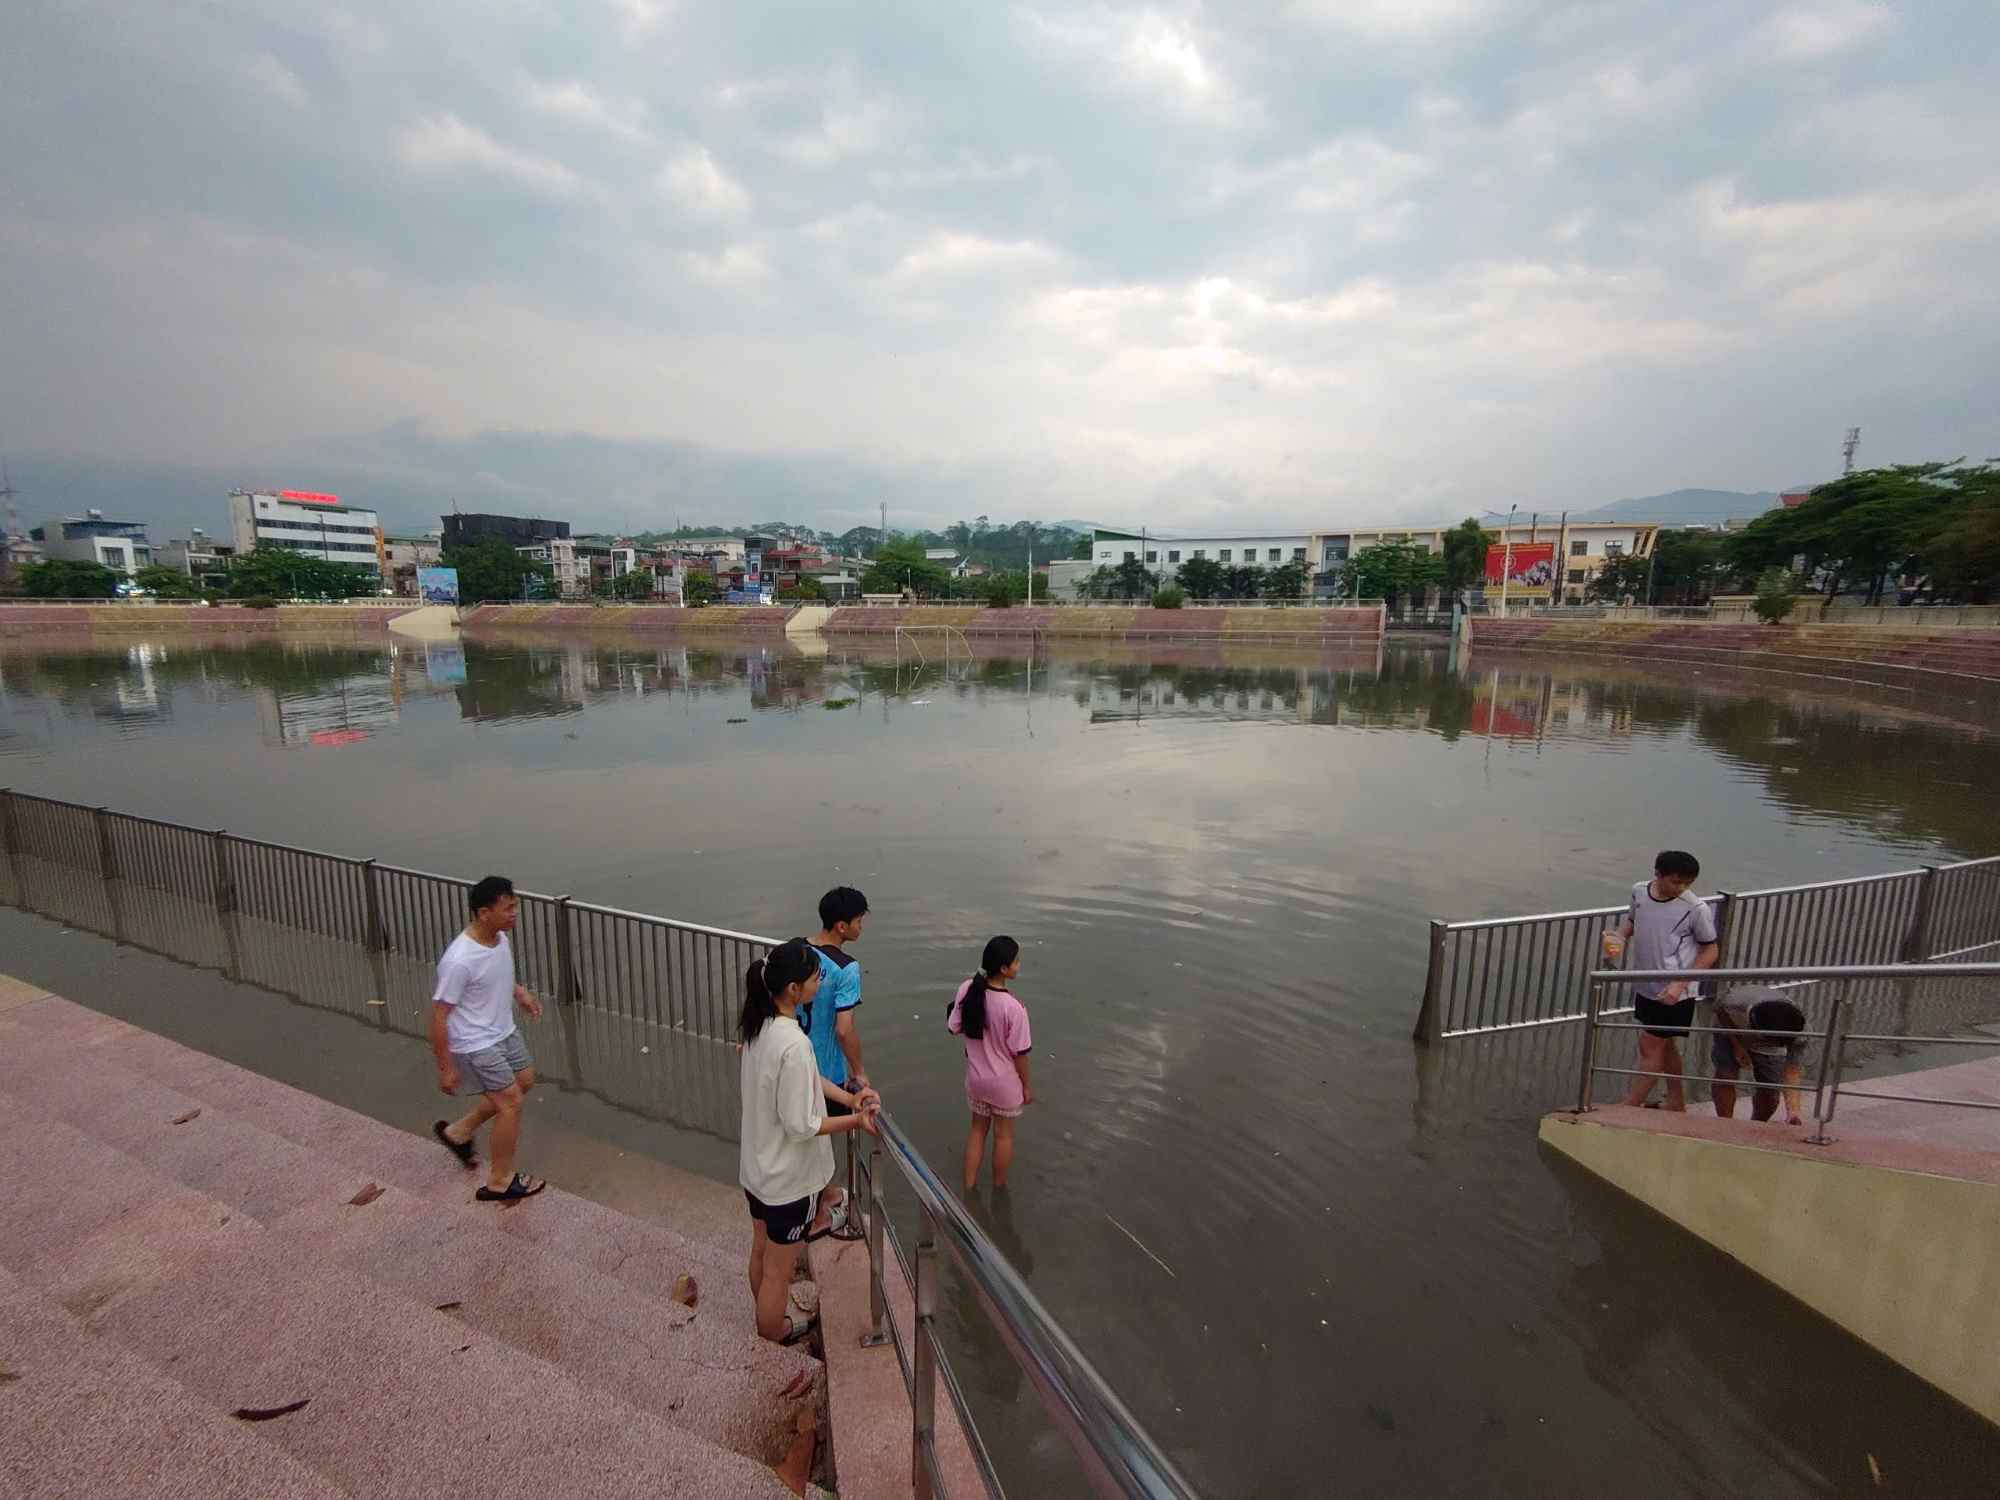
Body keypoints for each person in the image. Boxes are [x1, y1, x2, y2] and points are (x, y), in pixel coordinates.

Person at [740, 938, 880, 1344]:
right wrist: (856, 1119)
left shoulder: (759, 1027)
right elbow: (803, 1125)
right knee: (777, 1271)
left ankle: (769, 1314)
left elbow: (809, 1080)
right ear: (793, 991)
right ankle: (774, 1333)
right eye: (814, 977)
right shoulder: (795, 1044)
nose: (820, 981)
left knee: (761, 1251)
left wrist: (848, 1097)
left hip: (757, 1169)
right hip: (787, 1182)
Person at [431, 875, 547, 1202]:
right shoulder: (459, 960)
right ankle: (499, 1181)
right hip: (474, 1042)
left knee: (524, 1080)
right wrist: (446, 1067)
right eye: (508, 909)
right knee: (511, 1103)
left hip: (503, 1030)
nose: (514, 914)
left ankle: (459, 1132)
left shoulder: (499, 939)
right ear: (484, 913)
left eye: (515, 907)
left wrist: (519, 992)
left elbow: (495, 976)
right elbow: (439, 1015)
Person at [1614, 850, 1719, 1112]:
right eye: (1675, 882)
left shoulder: (1695, 908)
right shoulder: (1639, 891)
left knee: (1650, 1045)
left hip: (1675, 991)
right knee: (1665, 1045)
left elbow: (1711, 950)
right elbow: (1631, 921)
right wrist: (1618, 937)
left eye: (1687, 883)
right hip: (1647, 985)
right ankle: (1676, 1101)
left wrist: (1679, 984)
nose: (1681, 888)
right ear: (1658, 874)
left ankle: (1629, 1106)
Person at [804, 886, 868, 1236]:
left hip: (793, 1062)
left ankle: (823, 1194)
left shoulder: (794, 949)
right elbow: (844, 1030)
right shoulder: (847, 968)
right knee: (817, 1143)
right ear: (842, 926)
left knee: (805, 1139)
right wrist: (859, 1071)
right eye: (858, 921)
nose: (862, 927)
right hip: (825, 1071)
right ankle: (818, 1221)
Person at [948, 936, 1032, 1193]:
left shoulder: (967, 989)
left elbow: (954, 1027)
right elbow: (1020, 1054)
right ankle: (998, 1188)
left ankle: (969, 1187)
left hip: (976, 1080)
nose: (1019, 965)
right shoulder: (1014, 1008)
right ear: (1004, 969)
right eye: (1016, 961)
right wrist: (1026, 1086)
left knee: (977, 1131)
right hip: (1004, 1084)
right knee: (1003, 1136)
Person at [1711, 988, 1808, 1125]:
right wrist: (1737, 1045)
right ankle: (1725, 1123)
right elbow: (1719, 1009)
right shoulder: (1734, 1001)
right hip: (1731, 1029)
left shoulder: (1799, 1033)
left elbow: (1791, 1069)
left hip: (1772, 1040)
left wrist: (1794, 1112)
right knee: (1726, 1074)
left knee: (1770, 1092)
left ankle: (1756, 1125)